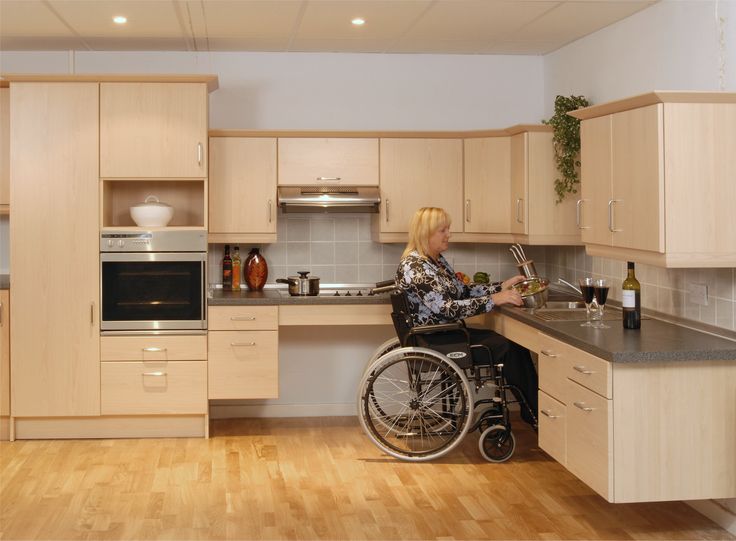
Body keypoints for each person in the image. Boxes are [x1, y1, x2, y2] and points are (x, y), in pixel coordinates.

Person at [395, 207, 538, 428]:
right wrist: (494, 300)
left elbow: (462, 292)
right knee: (510, 347)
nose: (448, 234)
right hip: (436, 340)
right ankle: (536, 416)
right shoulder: (416, 267)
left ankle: (534, 414)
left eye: (447, 229)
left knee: (509, 344)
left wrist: (501, 286)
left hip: (446, 333)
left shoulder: (435, 261)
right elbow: (447, 309)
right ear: (426, 233)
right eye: (443, 230)